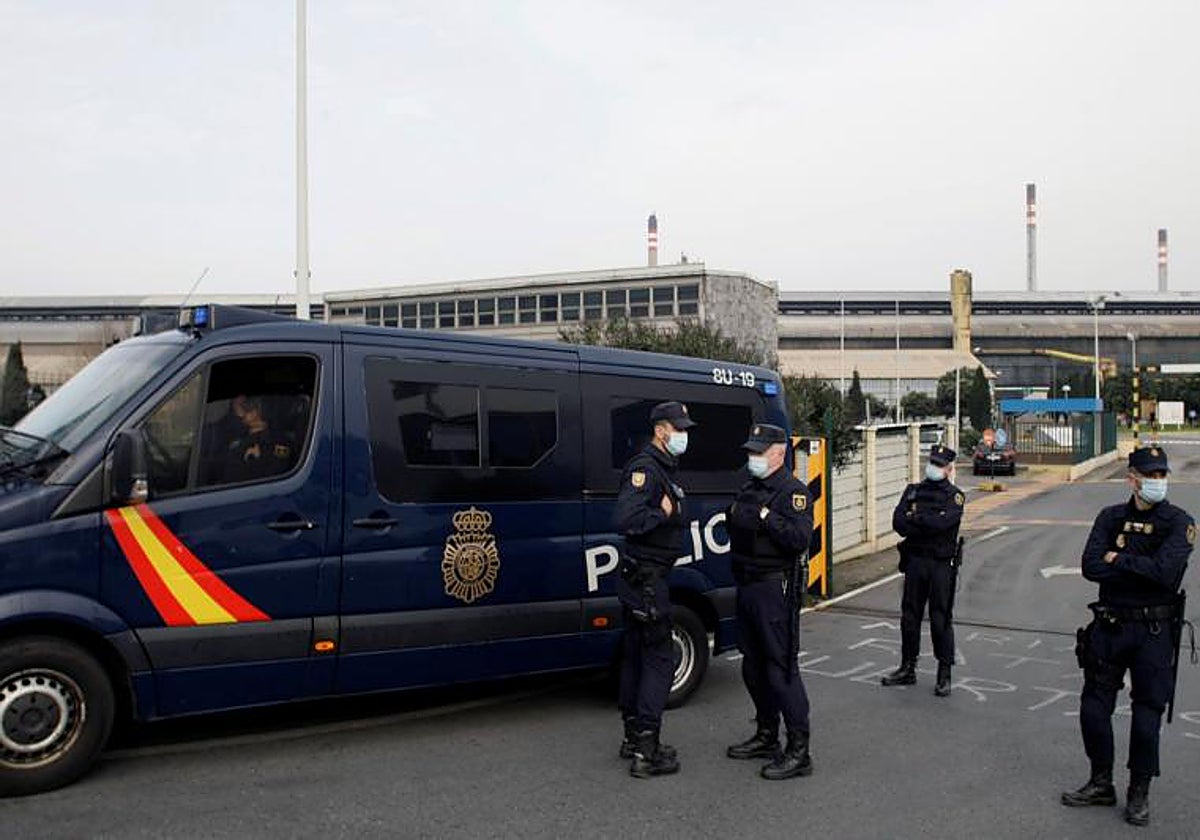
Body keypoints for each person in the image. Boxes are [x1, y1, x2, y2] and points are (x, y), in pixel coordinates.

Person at [1061, 445, 1193, 827]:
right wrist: (1140, 568)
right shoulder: (1111, 517)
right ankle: (1101, 781)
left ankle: (1139, 792)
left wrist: (1118, 559)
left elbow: (1166, 574)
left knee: (1147, 714)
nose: (1157, 481)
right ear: (1132, 479)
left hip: (1154, 631)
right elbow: (1090, 566)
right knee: (1093, 707)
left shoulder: (1179, 522)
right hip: (1110, 625)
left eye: (1161, 475)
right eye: (1150, 475)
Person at [725, 423, 815, 780]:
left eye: (759, 452)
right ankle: (767, 734)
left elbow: (799, 539)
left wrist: (766, 517)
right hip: (747, 585)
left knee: (781, 669)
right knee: (752, 665)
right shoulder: (749, 488)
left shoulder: (793, 493)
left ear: (779, 453)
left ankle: (799, 750)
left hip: (774, 588)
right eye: (751, 451)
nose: (753, 457)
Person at [613, 400, 695, 779]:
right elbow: (626, 518)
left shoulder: (663, 467)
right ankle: (647, 750)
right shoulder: (646, 469)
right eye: (679, 429)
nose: (684, 435)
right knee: (659, 660)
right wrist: (662, 513)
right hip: (646, 581)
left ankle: (632, 737)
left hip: (642, 578)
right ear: (660, 430)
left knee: (635, 655)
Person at [881, 444, 964, 696]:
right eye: (932, 463)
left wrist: (915, 520)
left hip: (940, 564)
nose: (933, 468)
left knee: (940, 618)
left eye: (939, 465)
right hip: (915, 561)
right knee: (909, 616)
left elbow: (942, 524)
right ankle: (908, 668)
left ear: (949, 469)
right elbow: (899, 523)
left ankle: (944, 674)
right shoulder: (913, 491)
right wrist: (924, 522)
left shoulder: (955, 496)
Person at [220, 394, 294, 484]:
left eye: (243, 407)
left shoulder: (278, 441)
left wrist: (256, 461)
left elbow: (277, 475)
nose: (239, 413)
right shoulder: (235, 439)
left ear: (254, 412)